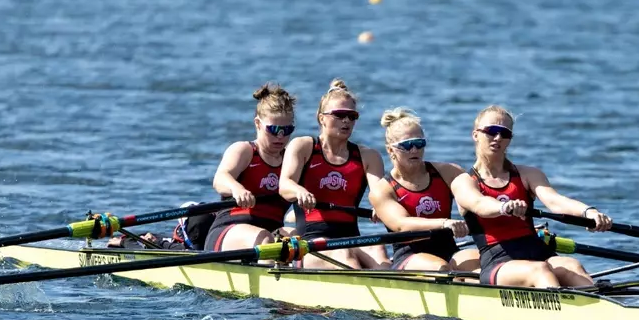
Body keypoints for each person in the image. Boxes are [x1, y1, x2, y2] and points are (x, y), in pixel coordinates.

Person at [450, 105, 612, 288]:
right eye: (491, 131)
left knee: (571, 265)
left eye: (505, 133)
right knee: (539, 271)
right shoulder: (463, 182)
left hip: (536, 250)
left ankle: (598, 306)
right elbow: (479, 204)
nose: (498, 138)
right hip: (498, 260)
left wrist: (588, 212)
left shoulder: (528, 174)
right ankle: (567, 310)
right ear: (476, 135)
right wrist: (503, 207)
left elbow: (555, 201)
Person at [279, 79, 388, 269]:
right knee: (345, 257)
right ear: (322, 118)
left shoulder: (368, 156)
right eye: (339, 115)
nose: (346, 121)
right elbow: (285, 185)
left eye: (352, 116)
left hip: (351, 239)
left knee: (378, 249)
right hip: (311, 242)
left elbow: (381, 194)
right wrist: (299, 192)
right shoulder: (304, 146)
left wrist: (383, 206)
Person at [368, 108, 478, 272]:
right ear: (390, 150)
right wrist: (444, 223)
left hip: (449, 250)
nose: (414, 150)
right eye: (406, 145)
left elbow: (476, 199)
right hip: (410, 257)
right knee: (440, 268)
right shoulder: (382, 190)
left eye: (419, 144)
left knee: (479, 262)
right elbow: (401, 225)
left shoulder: (449, 172)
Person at [199, 84, 297, 252]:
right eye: (274, 130)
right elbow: (220, 179)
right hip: (230, 229)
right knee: (266, 239)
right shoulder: (245, 150)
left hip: (272, 231)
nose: (280, 136)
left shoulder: (292, 159)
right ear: (258, 124)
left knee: (299, 240)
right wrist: (237, 189)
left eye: (287, 130)